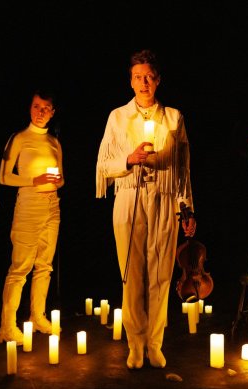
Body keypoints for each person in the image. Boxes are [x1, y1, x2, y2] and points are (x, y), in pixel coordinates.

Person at [96, 49, 196, 369]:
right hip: (129, 196)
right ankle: (135, 342)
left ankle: (155, 342)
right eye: (138, 77)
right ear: (130, 81)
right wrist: (129, 159)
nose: (144, 82)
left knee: (160, 273)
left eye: (149, 76)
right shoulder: (117, 117)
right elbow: (103, 165)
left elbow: (183, 169)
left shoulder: (174, 118)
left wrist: (186, 209)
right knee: (132, 274)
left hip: (164, 199)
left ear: (158, 80)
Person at [0, 90, 64, 345]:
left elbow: (62, 178)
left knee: (44, 265)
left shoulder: (55, 142)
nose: (40, 112)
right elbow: (4, 177)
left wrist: (56, 181)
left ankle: (38, 315)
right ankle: (7, 325)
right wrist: (33, 180)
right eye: (37, 106)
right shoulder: (19, 138)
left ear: (53, 112)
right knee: (20, 267)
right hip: (28, 204)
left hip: (52, 206)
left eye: (46, 108)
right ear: (30, 108)